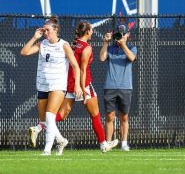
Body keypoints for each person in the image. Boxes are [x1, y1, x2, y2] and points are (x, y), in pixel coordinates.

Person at [28, 21, 119, 153]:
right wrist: (83, 89)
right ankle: (103, 144)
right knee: (95, 114)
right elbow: (82, 70)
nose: (92, 32)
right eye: (91, 30)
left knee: (61, 115)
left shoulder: (73, 44)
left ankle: (38, 127)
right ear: (87, 32)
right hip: (83, 84)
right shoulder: (86, 47)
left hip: (69, 83)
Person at [21, 16, 83, 155]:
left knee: (50, 117)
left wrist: (78, 86)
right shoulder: (42, 43)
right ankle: (61, 140)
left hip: (58, 85)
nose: (45, 32)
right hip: (42, 85)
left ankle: (47, 150)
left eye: (47, 30)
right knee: (44, 121)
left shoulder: (64, 45)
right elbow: (24, 52)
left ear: (55, 30)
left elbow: (75, 66)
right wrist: (34, 37)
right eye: (44, 30)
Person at [99, 24, 137, 151]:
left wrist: (123, 44)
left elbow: (131, 57)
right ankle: (107, 144)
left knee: (124, 116)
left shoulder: (132, 47)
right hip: (110, 86)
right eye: (119, 34)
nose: (120, 36)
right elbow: (102, 58)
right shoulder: (110, 48)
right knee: (109, 116)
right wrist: (105, 42)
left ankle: (124, 143)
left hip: (125, 87)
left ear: (128, 35)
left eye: (123, 34)